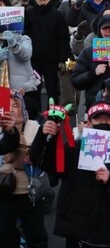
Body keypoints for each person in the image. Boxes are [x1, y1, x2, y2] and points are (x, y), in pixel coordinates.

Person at [34, 101, 110, 247]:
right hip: (79, 240)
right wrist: (45, 136)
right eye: (98, 119)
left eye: (108, 119)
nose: (103, 123)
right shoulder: (73, 149)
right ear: (88, 123)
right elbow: (43, 163)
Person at [0, 91, 47, 248]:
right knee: (6, 237)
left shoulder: (34, 126)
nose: (12, 109)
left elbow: (31, 157)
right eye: (7, 105)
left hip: (29, 192)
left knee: (36, 235)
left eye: (15, 105)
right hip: (4, 192)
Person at [24, 0, 70, 112]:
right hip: (33, 60)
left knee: (52, 91)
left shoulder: (57, 15)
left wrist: (62, 59)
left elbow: (63, 39)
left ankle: (54, 118)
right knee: (33, 91)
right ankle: (34, 118)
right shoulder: (28, 13)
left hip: (52, 61)